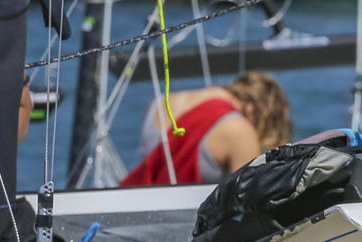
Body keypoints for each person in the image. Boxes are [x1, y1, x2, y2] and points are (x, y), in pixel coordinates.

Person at [120, 72, 292, 186]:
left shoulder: (158, 104)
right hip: (184, 230)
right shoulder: (239, 130)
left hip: (139, 214)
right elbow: (247, 203)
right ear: (263, 113)